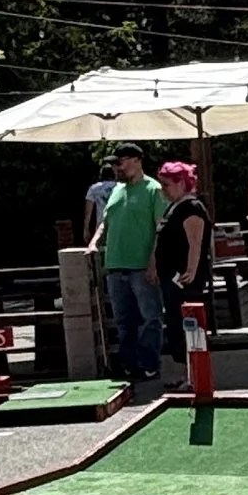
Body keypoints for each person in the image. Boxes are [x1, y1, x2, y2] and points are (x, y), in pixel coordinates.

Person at [94, 146, 167, 386]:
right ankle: (129, 365)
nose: (116, 168)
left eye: (121, 162)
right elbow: (105, 222)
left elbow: (160, 229)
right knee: (124, 320)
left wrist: (153, 263)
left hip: (141, 266)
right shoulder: (116, 190)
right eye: (114, 164)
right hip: (115, 264)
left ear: (137, 160)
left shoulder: (153, 189)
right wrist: (93, 243)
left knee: (150, 317)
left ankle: (149, 364)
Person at [155, 161, 213, 373]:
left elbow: (195, 243)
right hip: (170, 278)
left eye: (166, 185)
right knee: (175, 327)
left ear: (181, 183)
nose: (163, 190)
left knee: (189, 327)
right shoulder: (174, 207)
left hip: (185, 281)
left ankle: (196, 376)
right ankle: (188, 375)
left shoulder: (192, 208)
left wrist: (190, 270)